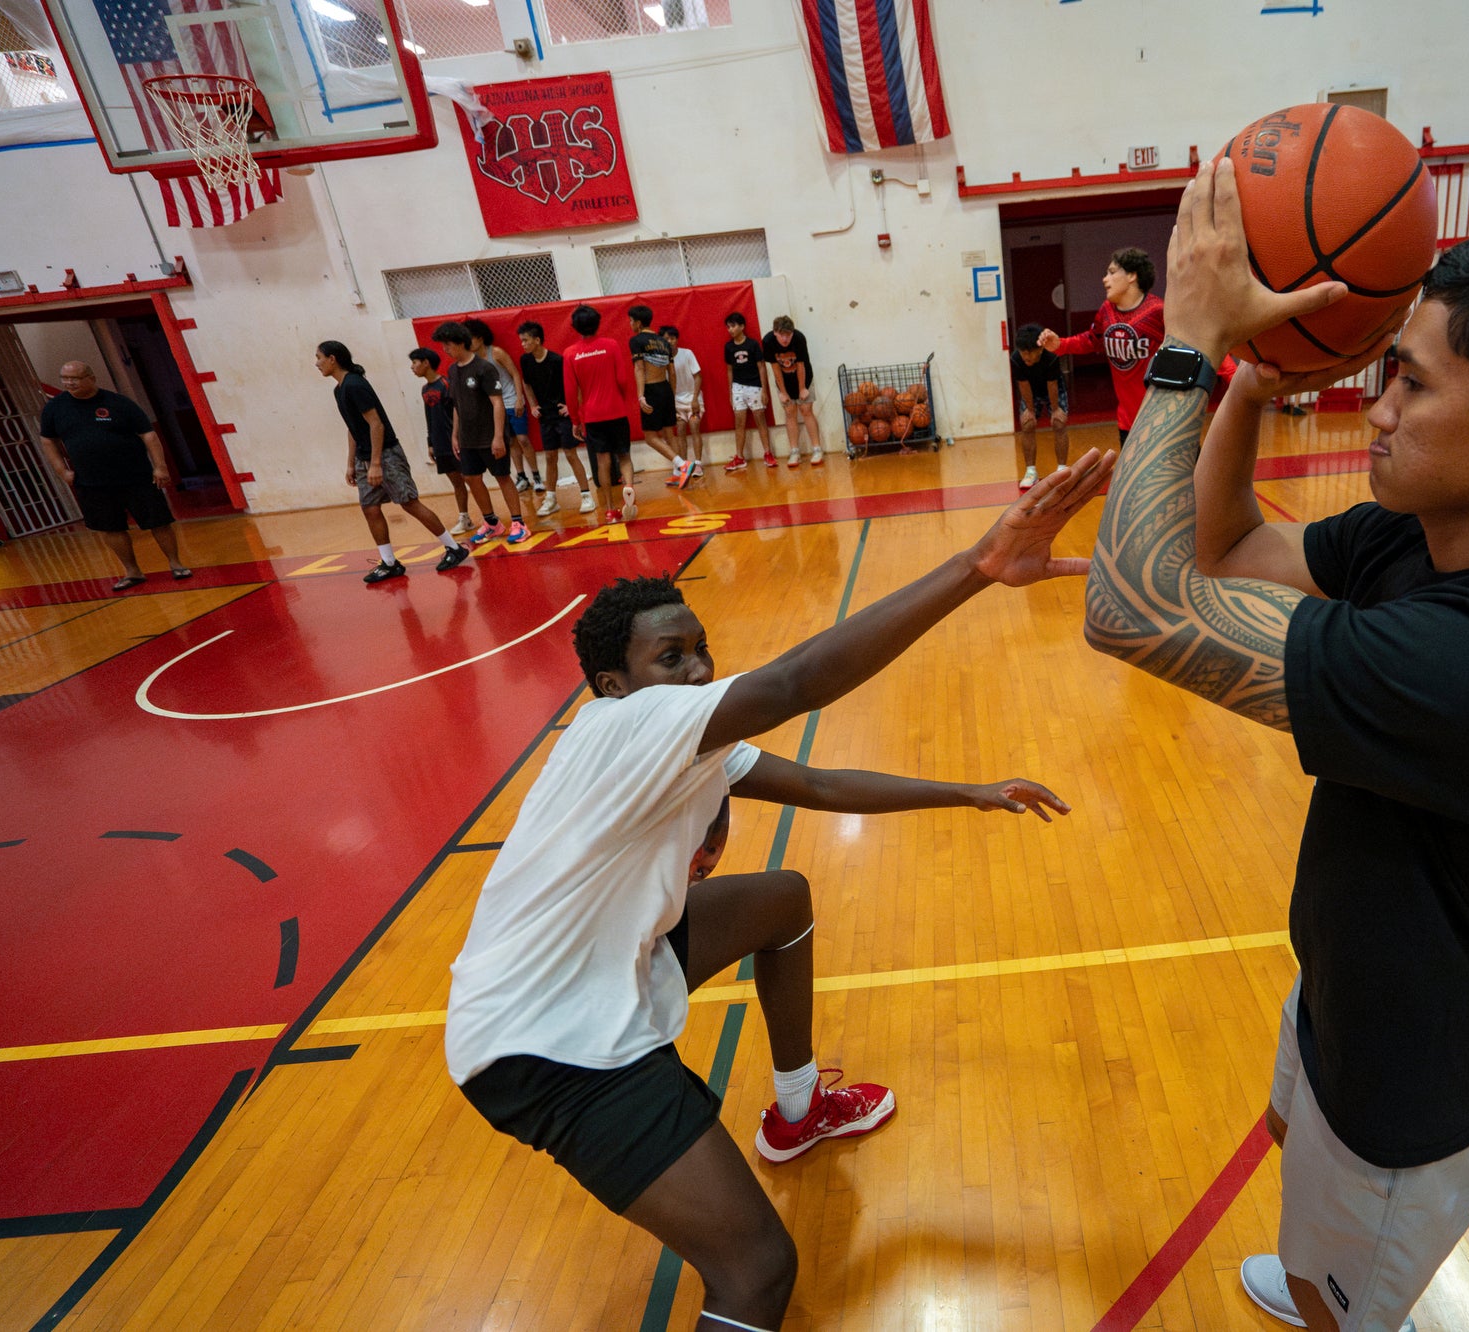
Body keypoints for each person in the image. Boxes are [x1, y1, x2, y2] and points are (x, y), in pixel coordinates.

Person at [1082, 163, 1469, 1331]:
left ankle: (1340, 1296)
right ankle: (1322, 1259)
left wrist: (1183, 344)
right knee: (1289, 1137)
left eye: (1408, 385)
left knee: (1339, 1309)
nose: (1373, 408)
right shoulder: (1439, 531)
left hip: (1412, 1078)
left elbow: (1132, 606)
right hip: (1352, 990)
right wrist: (1249, 383)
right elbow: (1224, 550)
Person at [445, 449, 1116, 1332]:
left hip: (605, 966)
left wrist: (968, 791)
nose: (694, 671)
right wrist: (976, 567)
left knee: (783, 897)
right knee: (759, 1270)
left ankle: (798, 1111)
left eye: (699, 650)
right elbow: (797, 682)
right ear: (614, 685)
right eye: (668, 657)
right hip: (544, 1042)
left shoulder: (689, 735)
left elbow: (826, 787)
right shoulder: (626, 729)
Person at [315, 342, 468, 583]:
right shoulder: (339, 389)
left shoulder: (355, 385)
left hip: (385, 454)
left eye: (319, 358)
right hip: (365, 457)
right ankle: (389, 563)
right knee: (370, 508)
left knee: (409, 503)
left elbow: (376, 424)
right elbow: (353, 427)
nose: (317, 363)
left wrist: (376, 463)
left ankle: (454, 548)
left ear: (333, 359)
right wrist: (351, 463)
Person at [36, 360, 192, 591]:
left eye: (75, 378)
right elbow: (48, 440)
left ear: (91, 377)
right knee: (110, 528)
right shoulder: (54, 408)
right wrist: (62, 471)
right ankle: (132, 572)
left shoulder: (119, 403)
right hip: (91, 482)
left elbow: (148, 435)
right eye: (64, 378)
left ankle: (176, 564)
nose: (69, 383)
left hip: (135, 476)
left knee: (159, 522)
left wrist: (160, 467)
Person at [1039, 246, 1161, 445]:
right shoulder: (1107, 311)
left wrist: (1229, 375)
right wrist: (1060, 344)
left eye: (1112, 273)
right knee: (1130, 477)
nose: (1105, 279)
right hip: (1128, 423)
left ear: (1131, 275)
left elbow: (1193, 345)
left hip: (1162, 420)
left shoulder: (1157, 312)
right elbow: (1092, 340)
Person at [436, 322, 529, 544]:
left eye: (447, 345)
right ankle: (492, 523)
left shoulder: (484, 367)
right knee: (470, 477)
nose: (445, 350)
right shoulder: (452, 370)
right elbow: (457, 405)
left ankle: (519, 524)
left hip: (490, 435)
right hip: (468, 439)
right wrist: (455, 435)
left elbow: (497, 403)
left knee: (503, 477)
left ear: (460, 343)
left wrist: (498, 436)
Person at [564, 304, 643, 521]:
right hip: (616, 410)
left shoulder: (570, 354)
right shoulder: (611, 345)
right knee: (624, 456)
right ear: (598, 323)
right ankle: (628, 489)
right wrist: (621, 399)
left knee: (602, 462)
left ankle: (609, 508)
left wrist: (575, 420)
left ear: (575, 327)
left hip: (592, 415)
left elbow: (570, 392)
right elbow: (623, 380)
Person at [517, 320, 595, 519]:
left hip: (562, 415)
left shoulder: (557, 361)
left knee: (570, 454)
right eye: (521, 341)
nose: (523, 344)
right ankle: (551, 499)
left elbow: (576, 385)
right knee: (550, 457)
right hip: (545, 416)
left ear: (537, 340)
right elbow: (527, 385)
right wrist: (533, 405)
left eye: (526, 340)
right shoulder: (525, 361)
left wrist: (571, 407)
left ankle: (586, 496)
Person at [467, 318, 539, 502]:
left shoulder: (496, 353)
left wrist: (519, 399)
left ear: (480, 338)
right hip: (495, 408)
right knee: (511, 442)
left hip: (511, 401)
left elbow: (515, 373)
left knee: (523, 440)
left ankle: (537, 476)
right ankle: (522, 476)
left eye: (471, 338)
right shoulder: (472, 360)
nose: (469, 342)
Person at [409, 348, 477, 536]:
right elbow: (429, 417)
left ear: (426, 363)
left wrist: (459, 438)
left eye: (415, 362)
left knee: (471, 479)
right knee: (456, 482)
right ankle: (465, 517)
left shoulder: (447, 384)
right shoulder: (425, 389)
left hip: (457, 442)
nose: (412, 367)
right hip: (440, 444)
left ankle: (489, 517)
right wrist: (430, 442)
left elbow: (459, 413)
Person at [629, 304, 693, 487]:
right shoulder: (664, 342)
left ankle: (682, 465)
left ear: (639, 323)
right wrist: (671, 395)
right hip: (666, 389)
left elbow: (639, 368)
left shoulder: (636, 341)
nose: (630, 324)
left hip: (651, 390)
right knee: (668, 433)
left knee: (650, 437)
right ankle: (676, 473)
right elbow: (671, 372)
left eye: (631, 321)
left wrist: (641, 396)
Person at [1009, 322, 1069, 491]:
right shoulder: (1016, 359)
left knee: (1059, 423)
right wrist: (1030, 410)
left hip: (1053, 389)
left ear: (1040, 350)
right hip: (1031, 391)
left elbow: (1052, 385)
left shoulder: (1051, 357)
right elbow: (1023, 385)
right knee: (1027, 424)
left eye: (1030, 353)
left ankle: (1062, 469)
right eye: (1023, 352)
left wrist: (1056, 409)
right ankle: (1030, 472)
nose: (1026, 357)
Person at [761, 315, 823, 467]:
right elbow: (775, 368)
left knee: (806, 409)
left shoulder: (799, 338)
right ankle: (794, 451)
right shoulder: (768, 341)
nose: (785, 338)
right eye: (782, 335)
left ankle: (817, 449)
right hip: (784, 380)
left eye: (788, 334)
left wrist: (802, 388)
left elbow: (801, 365)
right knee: (790, 411)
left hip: (803, 377)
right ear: (775, 332)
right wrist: (783, 392)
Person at [721, 312, 775, 472]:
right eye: (728, 327)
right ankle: (739, 457)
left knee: (760, 419)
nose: (730, 329)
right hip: (737, 387)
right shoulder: (728, 347)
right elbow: (729, 369)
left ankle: (768, 453)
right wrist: (730, 391)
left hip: (754, 386)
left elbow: (761, 367)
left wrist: (764, 390)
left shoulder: (752, 344)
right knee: (739, 422)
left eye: (733, 326)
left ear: (742, 326)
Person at [664, 325, 705, 464]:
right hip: (676, 402)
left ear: (677, 339)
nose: (669, 341)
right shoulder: (662, 360)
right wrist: (671, 405)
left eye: (672, 338)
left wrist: (695, 399)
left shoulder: (687, 353)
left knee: (694, 426)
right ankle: (684, 465)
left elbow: (698, 376)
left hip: (692, 397)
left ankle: (698, 463)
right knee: (680, 429)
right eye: (666, 339)